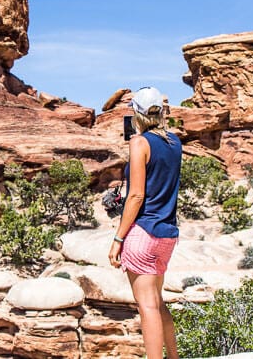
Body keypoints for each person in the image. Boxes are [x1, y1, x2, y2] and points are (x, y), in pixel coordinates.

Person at [108, 86, 182, 359]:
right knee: (157, 302)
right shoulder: (176, 143)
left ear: (136, 114)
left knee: (147, 306)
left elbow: (136, 195)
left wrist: (118, 238)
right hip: (167, 233)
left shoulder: (139, 143)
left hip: (143, 233)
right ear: (161, 112)